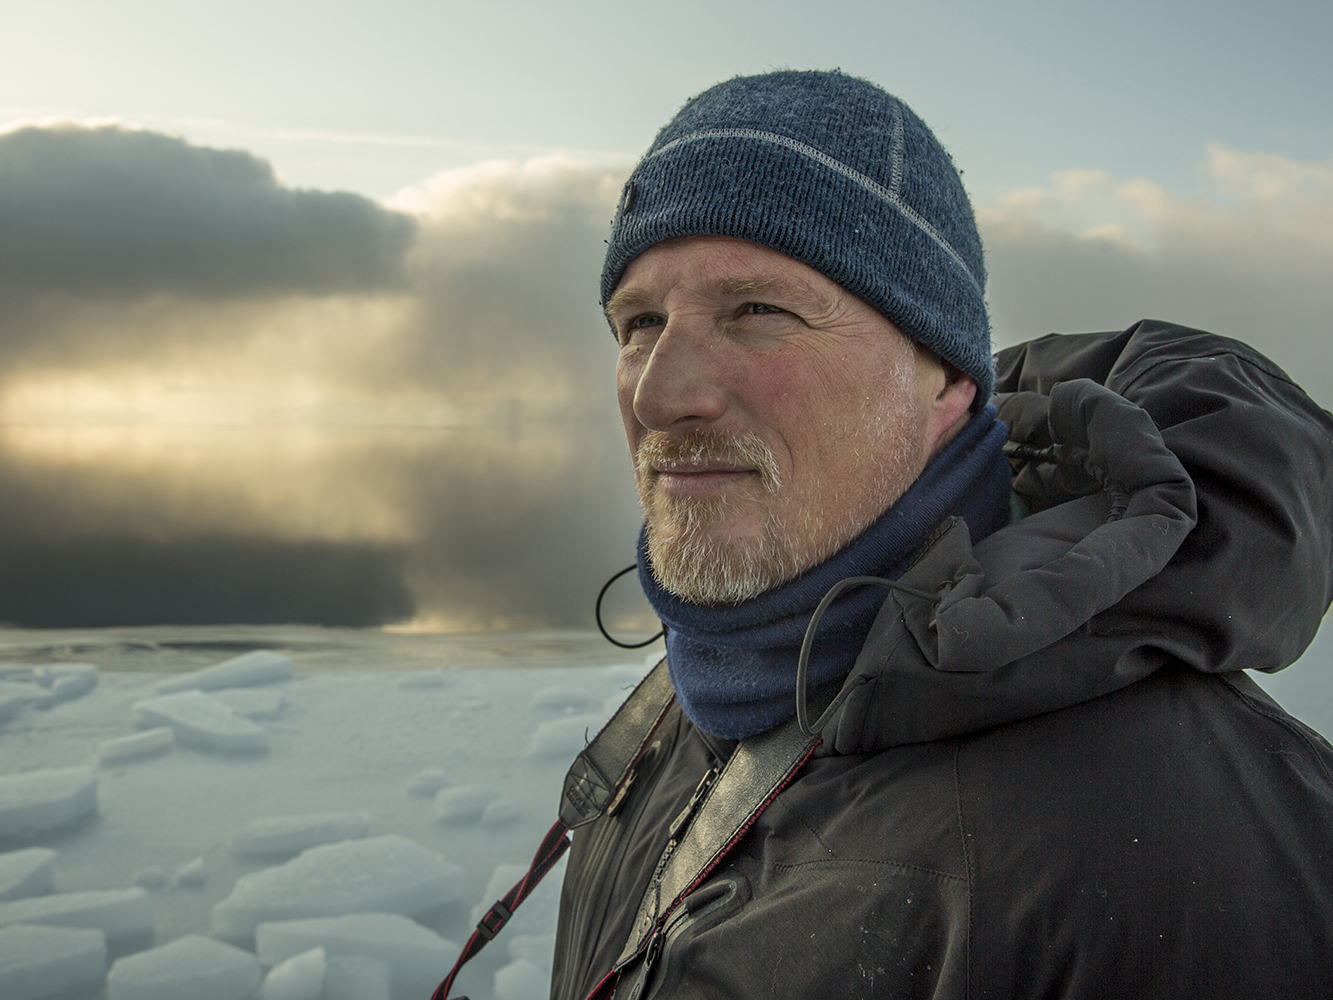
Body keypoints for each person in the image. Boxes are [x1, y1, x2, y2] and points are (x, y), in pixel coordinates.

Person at [531, 70, 1333, 999]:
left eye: (757, 311)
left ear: (947, 379)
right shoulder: (731, 669)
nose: (659, 393)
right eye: (638, 323)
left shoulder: (1181, 848)